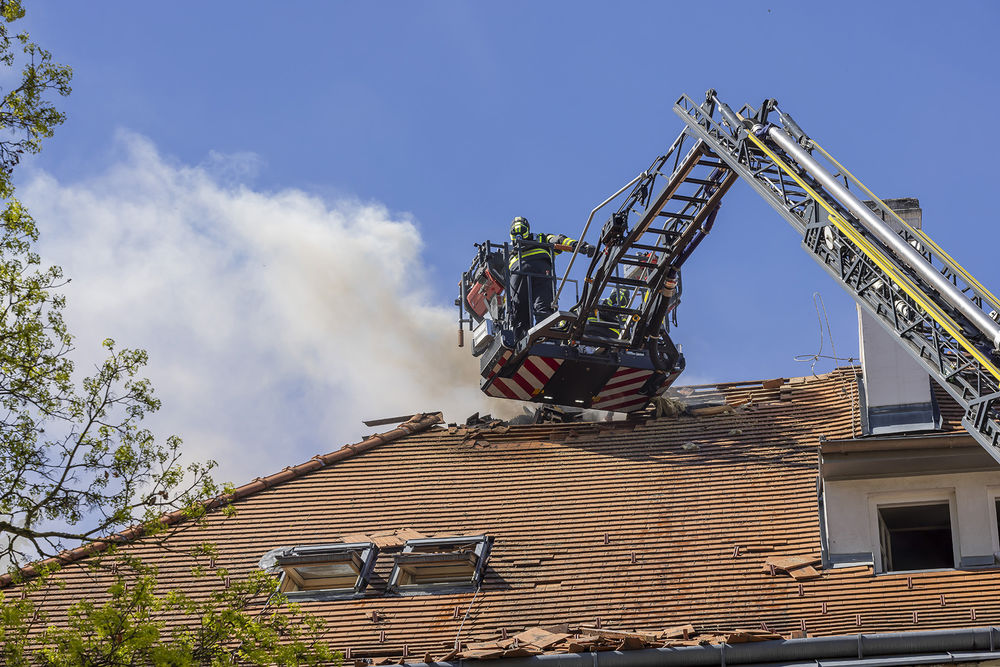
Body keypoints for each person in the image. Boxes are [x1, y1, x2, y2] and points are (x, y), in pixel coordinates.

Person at [507, 216, 594, 340]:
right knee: (544, 307)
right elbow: (561, 241)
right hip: (542, 271)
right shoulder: (542, 238)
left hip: (518, 273)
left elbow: (499, 277)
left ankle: (521, 341)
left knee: (519, 310)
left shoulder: (508, 250)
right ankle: (545, 338)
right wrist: (581, 246)